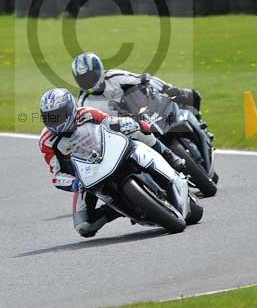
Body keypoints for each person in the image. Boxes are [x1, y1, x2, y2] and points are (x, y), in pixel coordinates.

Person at [38, 88, 185, 238]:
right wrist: (74, 183)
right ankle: (117, 209)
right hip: (86, 177)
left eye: (59, 115)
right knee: (84, 226)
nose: (55, 121)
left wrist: (128, 124)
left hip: (111, 152)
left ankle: (168, 154)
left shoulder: (86, 113)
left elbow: (111, 122)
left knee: (139, 128)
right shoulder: (47, 142)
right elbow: (57, 174)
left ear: (71, 109)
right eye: (50, 117)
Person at [71, 51, 204, 121]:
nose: (87, 81)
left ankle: (198, 122)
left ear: (99, 70)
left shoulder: (114, 77)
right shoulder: (83, 102)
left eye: (89, 76)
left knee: (192, 96)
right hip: (121, 133)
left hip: (144, 114)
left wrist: (167, 89)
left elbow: (144, 79)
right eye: (82, 78)